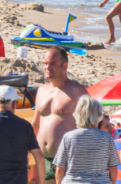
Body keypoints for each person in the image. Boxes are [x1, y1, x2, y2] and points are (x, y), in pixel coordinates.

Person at [33, 47, 90, 180]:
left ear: (65, 66)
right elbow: (35, 124)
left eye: (52, 64)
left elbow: (90, 127)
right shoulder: (41, 90)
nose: (47, 67)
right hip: (42, 158)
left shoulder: (77, 91)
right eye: (45, 63)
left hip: (67, 161)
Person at [52, 95, 119, 184]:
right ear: (99, 115)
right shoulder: (107, 138)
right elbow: (113, 168)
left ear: (78, 114)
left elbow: (60, 168)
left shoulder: (68, 137)